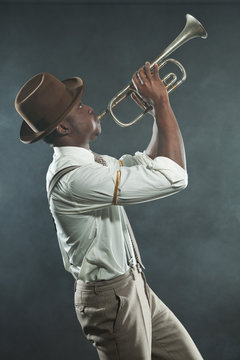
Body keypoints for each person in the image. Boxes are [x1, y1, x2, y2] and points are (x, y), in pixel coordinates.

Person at [15, 62, 203, 360]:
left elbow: (145, 164)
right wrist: (163, 102)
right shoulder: (76, 178)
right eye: (79, 108)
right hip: (111, 298)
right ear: (63, 127)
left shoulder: (92, 163)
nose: (90, 108)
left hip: (134, 284)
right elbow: (175, 177)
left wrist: (157, 114)